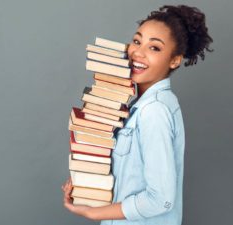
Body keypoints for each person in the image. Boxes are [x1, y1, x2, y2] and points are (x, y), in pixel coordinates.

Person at [62, 4, 213, 225]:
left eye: (155, 48)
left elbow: (160, 200)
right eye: (136, 41)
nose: (138, 53)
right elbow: (130, 177)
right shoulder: (141, 105)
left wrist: (93, 213)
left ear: (174, 60)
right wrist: (88, 187)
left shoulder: (154, 111)